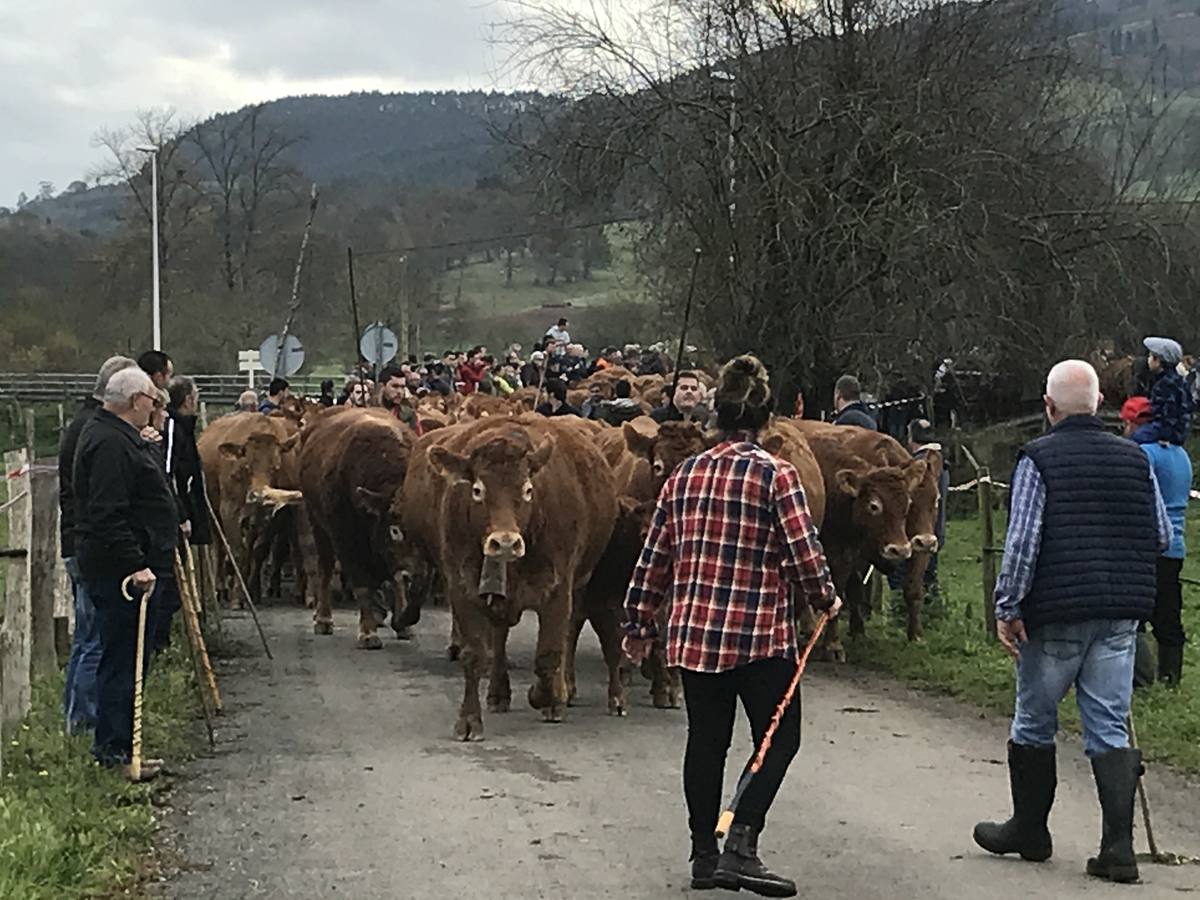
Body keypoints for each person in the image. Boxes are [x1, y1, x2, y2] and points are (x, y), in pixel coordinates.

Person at [623, 354, 841, 897]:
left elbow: (655, 557)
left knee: (706, 741)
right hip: (761, 637)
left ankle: (704, 854)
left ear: (714, 417)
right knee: (778, 739)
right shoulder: (777, 474)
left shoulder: (684, 476)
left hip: (695, 635)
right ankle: (741, 841)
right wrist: (826, 598)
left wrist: (637, 622)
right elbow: (803, 553)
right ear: (766, 421)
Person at [973, 360, 1171, 885]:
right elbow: (1160, 537)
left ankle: (1030, 830)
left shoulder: (1039, 458)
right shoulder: (1135, 457)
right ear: (1100, 401)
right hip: (1119, 613)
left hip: (1057, 612)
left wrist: (1007, 606)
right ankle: (1118, 849)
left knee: (1035, 720)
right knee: (1108, 724)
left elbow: (1022, 543)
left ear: (1049, 407)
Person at [74, 367, 180, 782]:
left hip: (128, 565)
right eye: (153, 400)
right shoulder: (110, 443)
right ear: (137, 400)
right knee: (122, 662)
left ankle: (124, 748)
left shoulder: (115, 436)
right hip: (121, 572)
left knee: (128, 660)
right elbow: (107, 513)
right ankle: (115, 753)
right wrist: (135, 563)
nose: (155, 408)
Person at [60, 355, 138, 734]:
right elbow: (103, 504)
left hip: (80, 539)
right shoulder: (98, 434)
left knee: (87, 636)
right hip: (89, 545)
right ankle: (85, 721)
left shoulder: (85, 426)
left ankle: (77, 715)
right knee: (94, 640)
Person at [1121, 395, 1191, 686]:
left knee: (1134, 613)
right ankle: (1171, 677)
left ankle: (1140, 678)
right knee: (1168, 614)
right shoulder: (1180, 454)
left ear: (1132, 424)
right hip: (1175, 546)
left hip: (1145, 545)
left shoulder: (1142, 454)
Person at [155, 376, 212, 653]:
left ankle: (162, 644)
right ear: (189, 399)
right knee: (168, 589)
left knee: (172, 590)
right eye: (196, 394)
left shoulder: (183, 427)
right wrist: (181, 515)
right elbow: (168, 475)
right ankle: (160, 646)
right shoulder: (174, 428)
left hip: (183, 512)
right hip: (175, 517)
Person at [1136, 336, 1192, 446]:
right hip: (1180, 431)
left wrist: (1164, 436)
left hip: (1165, 431)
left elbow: (1168, 413)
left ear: (1158, 361)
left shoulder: (1165, 385)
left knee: (1135, 438)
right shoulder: (1179, 380)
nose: (1148, 360)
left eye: (1150, 356)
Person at [379, 364, 422, 434]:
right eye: (395, 386)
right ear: (382, 386)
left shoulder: (409, 415)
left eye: (402, 387)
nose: (400, 391)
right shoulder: (367, 411)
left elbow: (417, 440)